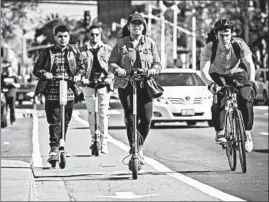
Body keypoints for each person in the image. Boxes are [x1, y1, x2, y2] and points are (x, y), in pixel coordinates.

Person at [107, 13, 162, 166]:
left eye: (140, 24)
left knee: (146, 119)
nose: (137, 26)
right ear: (129, 26)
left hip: (145, 84)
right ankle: (134, 149)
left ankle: (138, 147)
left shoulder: (149, 43)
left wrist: (153, 70)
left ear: (143, 27)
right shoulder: (121, 43)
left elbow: (158, 63)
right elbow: (111, 62)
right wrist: (118, 70)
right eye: (134, 24)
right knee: (131, 117)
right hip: (127, 84)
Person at [200, 19, 256, 152]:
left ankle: (247, 133)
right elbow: (203, 70)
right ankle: (220, 131)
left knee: (246, 98)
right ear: (216, 34)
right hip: (217, 75)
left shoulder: (239, 44)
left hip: (236, 73)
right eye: (221, 35)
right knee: (219, 100)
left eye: (227, 34)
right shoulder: (210, 47)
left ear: (231, 34)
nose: (225, 38)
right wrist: (211, 84)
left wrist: (252, 81)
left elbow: (249, 64)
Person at [32, 25, 85, 160]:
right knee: (55, 120)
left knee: (65, 120)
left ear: (69, 37)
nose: (63, 39)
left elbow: (82, 67)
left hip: (68, 90)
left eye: (65, 36)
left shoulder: (74, 51)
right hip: (51, 90)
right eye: (60, 36)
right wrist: (45, 74)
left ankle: (62, 145)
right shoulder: (47, 52)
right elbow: (36, 69)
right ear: (55, 37)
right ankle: (54, 148)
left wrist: (78, 75)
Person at [79, 25, 112, 154]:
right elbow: (79, 67)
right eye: (92, 34)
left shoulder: (107, 49)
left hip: (103, 84)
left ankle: (104, 140)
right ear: (88, 35)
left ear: (100, 35)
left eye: (97, 34)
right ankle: (94, 138)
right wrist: (82, 78)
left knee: (103, 113)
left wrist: (109, 78)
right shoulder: (82, 51)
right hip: (88, 84)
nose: (94, 37)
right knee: (91, 113)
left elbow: (113, 66)